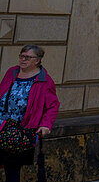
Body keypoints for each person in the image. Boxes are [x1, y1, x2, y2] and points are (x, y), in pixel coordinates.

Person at [0, 45, 59, 182]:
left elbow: (52, 106)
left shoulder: (44, 80)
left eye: (28, 57)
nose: (23, 59)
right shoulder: (12, 72)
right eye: (21, 56)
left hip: (21, 131)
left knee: (12, 168)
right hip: (2, 124)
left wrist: (45, 125)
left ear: (37, 60)